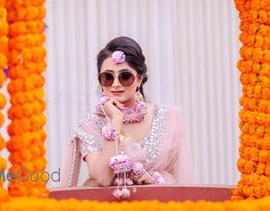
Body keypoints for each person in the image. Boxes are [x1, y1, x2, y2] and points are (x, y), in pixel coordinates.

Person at [59, 36, 194, 189]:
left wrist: (154, 180)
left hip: (158, 208)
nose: (116, 84)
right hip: (109, 210)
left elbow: (181, 182)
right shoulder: (90, 125)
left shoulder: (168, 117)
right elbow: (102, 178)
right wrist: (115, 120)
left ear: (140, 79)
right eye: (108, 77)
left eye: (125, 76)